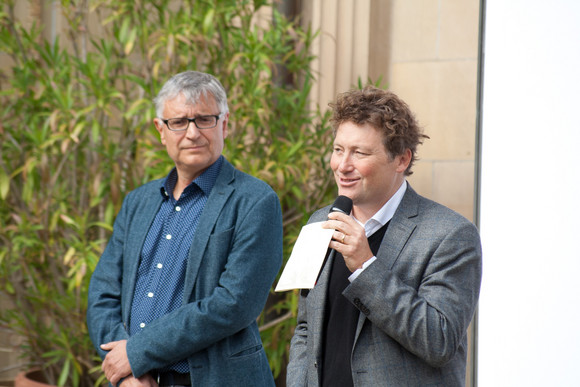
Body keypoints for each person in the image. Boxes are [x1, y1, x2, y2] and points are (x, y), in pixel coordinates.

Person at [87, 71, 283, 387]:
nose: (192, 133)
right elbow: (103, 292)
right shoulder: (138, 201)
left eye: (204, 119)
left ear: (225, 124)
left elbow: (234, 304)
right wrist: (127, 373)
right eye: (178, 122)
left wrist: (137, 353)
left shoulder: (255, 200)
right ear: (160, 130)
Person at [287, 86, 482, 387]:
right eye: (338, 150)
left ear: (401, 160)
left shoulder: (450, 235)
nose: (342, 165)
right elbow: (305, 329)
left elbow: (439, 340)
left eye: (359, 153)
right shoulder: (321, 222)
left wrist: (366, 266)